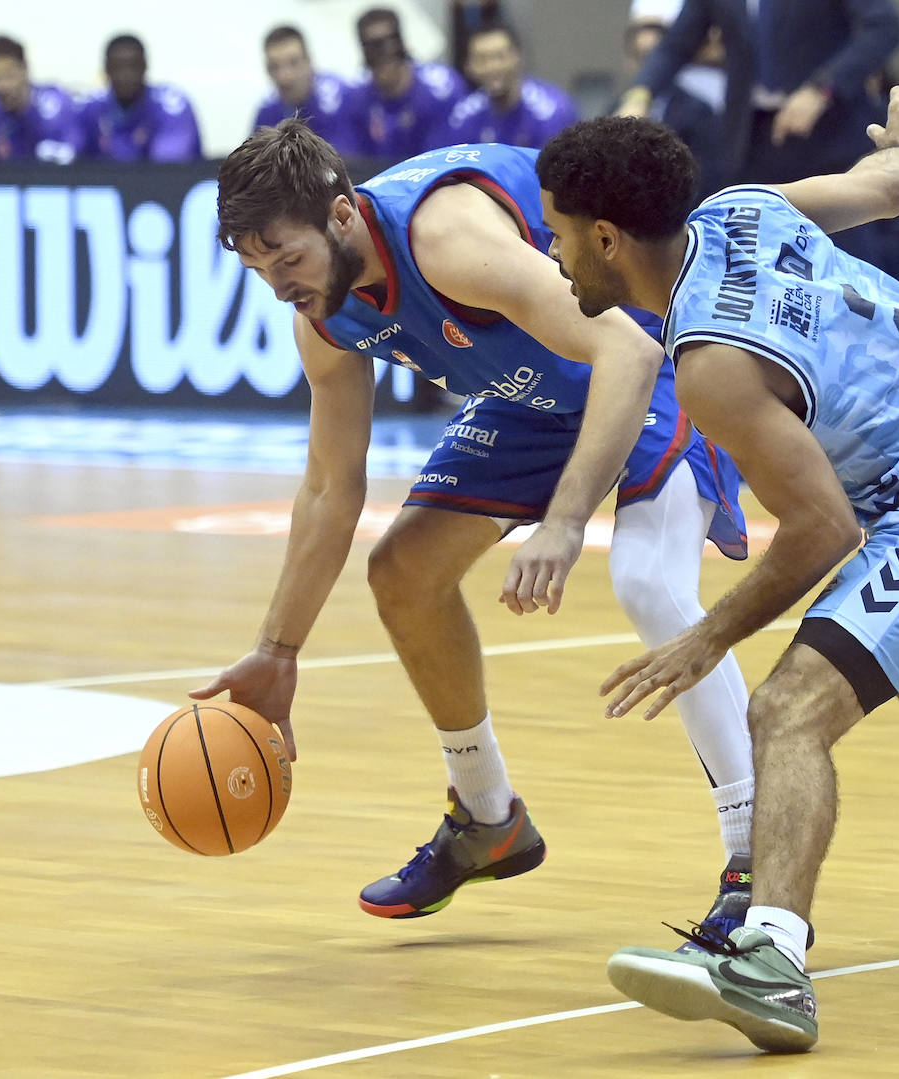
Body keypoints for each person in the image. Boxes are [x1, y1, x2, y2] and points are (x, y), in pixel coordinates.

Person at [535, 90, 899, 1053]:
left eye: (556, 235)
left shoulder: (712, 362)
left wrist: (706, 635)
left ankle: (773, 960)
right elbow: (887, 186)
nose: (552, 257)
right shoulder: (742, 208)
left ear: (606, 238)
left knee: (787, 710)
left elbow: (823, 530)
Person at [197, 118, 759, 941]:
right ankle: (487, 818)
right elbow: (328, 487)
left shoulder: (447, 240)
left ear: (344, 215)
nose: (280, 283)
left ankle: (757, 852)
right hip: (534, 389)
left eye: (288, 258)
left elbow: (625, 357)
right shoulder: (320, 314)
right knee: (403, 574)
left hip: (648, 349)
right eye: (258, 267)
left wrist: (566, 523)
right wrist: (279, 649)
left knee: (648, 580)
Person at [616, 0, 899, 278]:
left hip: (830, 134)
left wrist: (822, 89)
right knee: (754, 263)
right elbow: (676, 44)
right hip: (751, 138)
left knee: (845, 260)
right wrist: (640, 95)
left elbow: (885, 29)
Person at [622, 15, 725, 201]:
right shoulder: (616, 109)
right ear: (629, 59)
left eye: (654, 58)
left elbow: (705, 178)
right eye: (642, 57)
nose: (650, 69)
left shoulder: (698, 111)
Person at [352, 7, 468, 159]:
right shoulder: (358, 99)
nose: (382, 55)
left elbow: (449, 156)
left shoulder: (440, 89)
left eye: (388, 41)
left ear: (402, 44)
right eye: (371, 46)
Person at [445, 21, 576, 149]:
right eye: (482, 59)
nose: (493, 67)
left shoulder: (551, 113)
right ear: (468, 66)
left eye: (500, 57)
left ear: (518, 57)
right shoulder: (463, 117)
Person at [78, 35, 202, 163]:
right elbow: (67, 160)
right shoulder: (89, 108)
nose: (126, 75)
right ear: (106, 69)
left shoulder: (172, 105)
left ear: (145, 66)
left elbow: (168, 168)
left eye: (133, 66)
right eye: (118, 67)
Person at [254, 25, 364, 156]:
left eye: (293, 63)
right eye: (274, 67)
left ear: (310, 61)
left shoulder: (343, 98)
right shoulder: (268, 112)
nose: (284, 77)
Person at [0, 35, 81, 163]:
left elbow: (73, 150)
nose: (2, 86)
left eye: (8, 75)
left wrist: (26, 112)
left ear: (25, 68)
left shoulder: (57, 104)